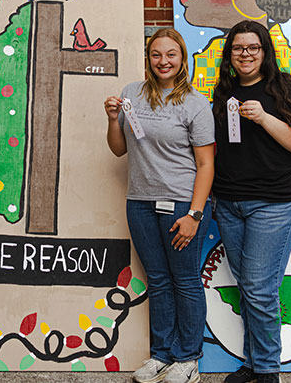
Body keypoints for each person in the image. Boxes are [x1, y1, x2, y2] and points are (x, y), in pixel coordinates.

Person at [104, 28, 215, 383]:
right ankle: (161, 355)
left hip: (184, 203)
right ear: (148, 58)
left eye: (171, 55)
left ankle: (188, 359)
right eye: (156, 55)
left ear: (183, 59)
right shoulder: (131, 94)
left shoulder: (196, 104)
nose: (163, 61)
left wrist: (195, 214)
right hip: (139, 201)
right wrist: (111, 119)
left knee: (184, 279)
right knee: (158, 280)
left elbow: (206, 165)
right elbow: (119, 149)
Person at [211, 21, 291, 383]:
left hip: (273, 203)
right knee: (249, 287)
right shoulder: (223, 92)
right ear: (230, 55)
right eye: (238, 48)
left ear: (264, 51)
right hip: (228, 203)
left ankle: (268, 369)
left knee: (258, 287)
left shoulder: (282, 88)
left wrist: (264, 117)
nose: (245, 55)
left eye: (252, 48)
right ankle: (254, 364)